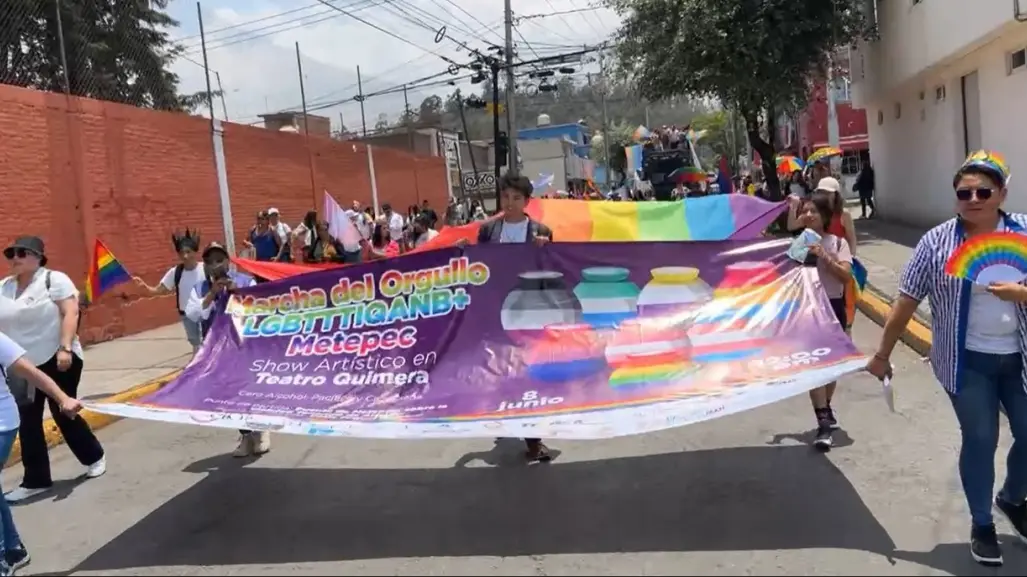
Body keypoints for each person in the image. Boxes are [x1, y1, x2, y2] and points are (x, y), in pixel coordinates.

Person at [866, 151, 1025, 567]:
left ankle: (1011, 498)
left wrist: (1022, 293)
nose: (973, 198)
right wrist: (882, 353)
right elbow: (905, 300)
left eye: (983, 191)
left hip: (1020, 358)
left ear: (1002, 193)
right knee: (981, 438)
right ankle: (982, 524)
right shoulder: (936, 243)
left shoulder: (1024, 233)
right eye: (964, 192)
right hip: (966, 361)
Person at [0, 236, 105, 503]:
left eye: (21, 253)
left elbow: (70, 313)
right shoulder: (3, 288)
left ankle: (94, 456)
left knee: (63, 410)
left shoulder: (53, 280)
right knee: (28, 420)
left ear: (38, 256)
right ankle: (36, 480)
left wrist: (65, 347)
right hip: (23, 366)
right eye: (11, 253)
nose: (15, 258)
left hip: (58, 357)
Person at [477, 171, 554, 463]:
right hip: (497, 308)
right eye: (505, 196)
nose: (509, 202)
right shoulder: (488, 231)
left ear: (526, 201)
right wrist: (463, 253)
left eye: (516, 198)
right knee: (503, 368)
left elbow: (552, 267)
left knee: (528, 370)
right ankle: (511, 418)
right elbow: (478, 265)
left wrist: (545, 249)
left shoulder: (540, 231)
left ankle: (534, 441)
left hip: (529, 309)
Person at [0, 329, 84, 575]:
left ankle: (4, 555)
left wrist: (62, 398)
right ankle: (14, 550)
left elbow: (31, 372)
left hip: (2, 423)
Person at [184, 242, 270, 458]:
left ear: (228, 261)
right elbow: (193, 314)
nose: (215, 265)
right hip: (219, 351)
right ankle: (245, 435)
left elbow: (258, 311)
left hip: (244, 347)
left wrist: (237, 293)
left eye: (219, 260)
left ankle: (261, 430)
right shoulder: (200, 287)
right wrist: (211, 294)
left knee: (249, 389)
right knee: (231, 394)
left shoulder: (244, 281)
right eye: (210, 261)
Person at [798, 192, 853, 449]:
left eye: (813, 211)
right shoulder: (798, 244)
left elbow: (845, 277)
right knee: (814, 368)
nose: (808, 215)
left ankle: (825, 407)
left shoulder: (838, 243)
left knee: (831, 367)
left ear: (825, 216)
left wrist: (824, 256)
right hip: (808, 310)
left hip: (833, 306)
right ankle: (823, 423)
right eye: (804, 211)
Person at [132, 229, 206, 353]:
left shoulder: (205, 269)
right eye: (182, 253)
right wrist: (145, 287)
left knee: (207, 342)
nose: (185, 256)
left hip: (205, 313)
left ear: (195, 251)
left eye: (188, 252)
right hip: (187, 315)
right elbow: (158, 290)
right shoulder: (176, 272)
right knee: (195, 343)